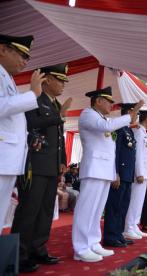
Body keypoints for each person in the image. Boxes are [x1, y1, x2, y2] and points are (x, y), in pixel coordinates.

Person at [11, 63, 71, 272]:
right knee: (29, 211)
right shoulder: (34, 99)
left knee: (46, 211)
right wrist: (59, 116)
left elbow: (60, 139)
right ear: (47, 80)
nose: (63, 85)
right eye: (60, 80)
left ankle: (38, 248)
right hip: (35, 166)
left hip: (52, 166)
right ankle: (19, 254)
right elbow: (31, 124)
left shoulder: (55, 104)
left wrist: (63, 159)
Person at [72, 87, 140, 262]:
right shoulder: (88, 114)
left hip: (103, 171)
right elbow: (106, 127)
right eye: (108, 101)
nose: (111, 104)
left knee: (96, 211)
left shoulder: (103, 118)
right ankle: (80, 248)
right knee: (86, 210)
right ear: (98, 101)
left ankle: (93, 243)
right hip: (93, 169)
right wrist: (128, 117)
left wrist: (112, 173)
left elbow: (109, 148)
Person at [0, 34, 43, 251]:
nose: (25, 61)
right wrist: (32, 95)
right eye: (21, 54)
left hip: (8, 160)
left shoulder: (8, 79)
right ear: (3, 49)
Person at [103, 103, 141, 248]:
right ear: (128, 113)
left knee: (123, 206)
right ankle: (110, 237)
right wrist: (115, 172)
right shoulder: (119, 129)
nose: (136, 117)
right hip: (120, 173)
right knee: (114, 206)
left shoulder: (129, 131)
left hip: (128, 175)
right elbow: (116, 151)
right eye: (135, 114)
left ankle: (118, 235)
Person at [124, 110, 147, 239]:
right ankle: (128, 227)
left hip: (145, 173)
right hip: (140, 174)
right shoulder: (139, 132)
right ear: (146, 118)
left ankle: (134, 224)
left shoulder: (144, 133)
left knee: (139, 201)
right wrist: (139, 172)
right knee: (134, 200)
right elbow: (138, 154)